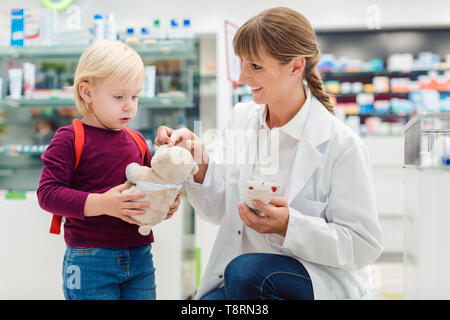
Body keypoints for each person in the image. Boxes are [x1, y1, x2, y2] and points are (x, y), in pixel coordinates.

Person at [155, 7, 383, 300]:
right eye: (241, 63)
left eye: (255, 66)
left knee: (247, 273)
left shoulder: (341, 145)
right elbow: (219, 208)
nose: (242, 76)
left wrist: (291, 225)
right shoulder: (242, 119)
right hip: (241, 278)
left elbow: (363, 245)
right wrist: (199, 165)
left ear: (295, 66)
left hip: (309, 277)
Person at [37, 40, 182, 300]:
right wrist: (104, 204)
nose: (129, 106)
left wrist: (166, 202)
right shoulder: (69, 138)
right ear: (87, 92)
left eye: (135, 96)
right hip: (89, 259)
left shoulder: (137, 140)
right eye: (119, 97)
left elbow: (152, 185)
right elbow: (48, 194)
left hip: (140, 256)